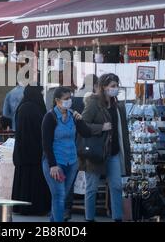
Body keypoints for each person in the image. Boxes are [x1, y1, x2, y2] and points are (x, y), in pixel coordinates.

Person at [81, 73, 131, 222]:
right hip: (97, 152)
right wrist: (100, 127)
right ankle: (89, 218)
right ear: (104, 87)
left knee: (116, 186)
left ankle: (117, 217)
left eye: (117, 86)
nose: (115, 89)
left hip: (113, 152)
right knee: (92, 188)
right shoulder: (93, 103)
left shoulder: (117, 105)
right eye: (112, 86)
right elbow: (82, 125)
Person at [41, 87, 92, 222]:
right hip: (55, 162)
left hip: (71, 162)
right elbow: (46, 144)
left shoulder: (73, 116)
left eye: (70, 98)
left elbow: (87, 133)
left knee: (61, 197)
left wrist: (80, 120)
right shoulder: (50, 117)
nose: (69, 101)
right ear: (57, 101)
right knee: (59, 195)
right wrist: (53, 165)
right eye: (66, 99)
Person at [12, 85, 51, 215]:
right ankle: (35, 207)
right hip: (35, 151)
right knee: (35, 182)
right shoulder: (34, 108)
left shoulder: (22, 107)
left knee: (24, 181)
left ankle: (22, 207)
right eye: (40, 93)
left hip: (23, 152)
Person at [66, 74, 98, 221]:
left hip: (73, 142)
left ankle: (67, 208)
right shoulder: (94, 101)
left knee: (71, 177)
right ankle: (90, 210)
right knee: (91, 175)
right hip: (88, 143)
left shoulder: (73, 99)